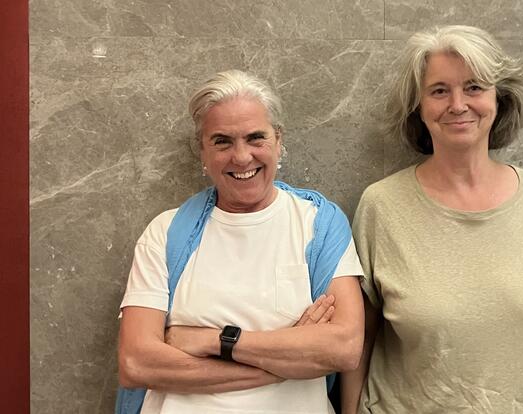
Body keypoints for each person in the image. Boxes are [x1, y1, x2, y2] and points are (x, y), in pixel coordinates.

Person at [343, 25, 523, 414]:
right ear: (418, 106)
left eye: (474, 87)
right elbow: (359, 339)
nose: (458, 104)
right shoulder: (382, 206)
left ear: (499, 98)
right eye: (439, 91)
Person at [117, 70, 364, 414]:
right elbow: (137, 363)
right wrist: (281, 365)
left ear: (278, 141)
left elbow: (344, 347)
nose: (242, 157)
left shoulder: (319, 224)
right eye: (222, 141)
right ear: (202, 152)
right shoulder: (165, 233)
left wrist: (212, 340)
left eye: (255, 138)